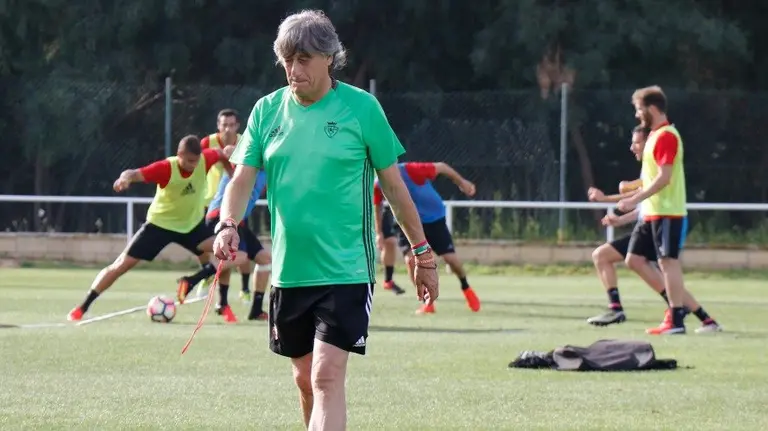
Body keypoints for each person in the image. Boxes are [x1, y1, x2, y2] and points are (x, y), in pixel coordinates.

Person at [211, 10, 439, 430]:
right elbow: (241, 180)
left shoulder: (362, 109)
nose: (293, 71)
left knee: (326, 376)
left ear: (329, 58)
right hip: (289, 271)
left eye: (303, 60)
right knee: (304, 381)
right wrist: (227, 223)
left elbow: (394, 187)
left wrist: (422, 253)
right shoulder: (266, 111)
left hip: (345, 269)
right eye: (286, 61)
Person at [67, 136, 236, 321]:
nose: (193, 165)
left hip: (191, 227)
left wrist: (232, 176)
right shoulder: (165, 168)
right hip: (159, 226)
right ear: (179, 154)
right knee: (121, 266)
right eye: (189, 161)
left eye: (196, 161)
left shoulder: (205, 159)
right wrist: (124, 179)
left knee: (228, 251)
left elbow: (222, 154)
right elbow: (132, 173)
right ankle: (83, 307)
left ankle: (218, 300)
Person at [587, 126, 721, 334]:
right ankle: (701, 317)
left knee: (658, 271)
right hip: (648, 223)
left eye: (636, 143)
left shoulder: (659, 169)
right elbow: (640, 201)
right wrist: (618, 215)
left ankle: (690, 313)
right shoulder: (649, 170)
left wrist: (616, 197)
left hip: (663, 222)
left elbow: (639, 194)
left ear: (649, 143)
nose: (632, 147)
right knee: (604, 256)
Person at [617, 85, 691, 334]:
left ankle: (677, 319)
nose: (638, 115)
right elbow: (650, 177)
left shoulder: (667, 135)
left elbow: (664, 178)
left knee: (668, 262)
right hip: (653, 212)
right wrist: (633, 193)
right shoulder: (654, 136)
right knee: (634, 259)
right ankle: (675, 308)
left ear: (651, 108)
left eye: (639, 109)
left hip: (668, 211)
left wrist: (634, 199)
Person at [373, 162, 480, 314]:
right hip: (407, 222)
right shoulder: (378, 183)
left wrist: (461, 182)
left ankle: (466, 287)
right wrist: (379, 234)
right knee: (411, 261)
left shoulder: (412, 170)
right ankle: (427, 302)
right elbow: (377, 206)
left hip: (433, 219)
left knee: (451, 260)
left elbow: (442, 167)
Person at [177, 170, 271, 322]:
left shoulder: (268, 168)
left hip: (240, 220)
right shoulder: (244, 159)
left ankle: (254, 310)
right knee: (240, 256)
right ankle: (192, 281)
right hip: (221, 216)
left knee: (265, 259)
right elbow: (229, 151)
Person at [195, 109, 245, 298]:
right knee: (206, 246)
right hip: (209, 203)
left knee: (234, 250)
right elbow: (198, 168)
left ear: (237, 126)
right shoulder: (207, 143)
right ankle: (207, 273)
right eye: (224, 125)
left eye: (232, 125)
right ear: (218, 125)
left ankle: (232, 291)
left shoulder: (244, 142)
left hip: (232, 203)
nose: (228, 129)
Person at [375, 206, 406, 295]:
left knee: (391, 242)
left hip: (392, 208)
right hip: (379, 208)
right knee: (390, 241)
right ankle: (387, 280)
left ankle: (388, 280)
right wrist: (379, 233)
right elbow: (377, 202)